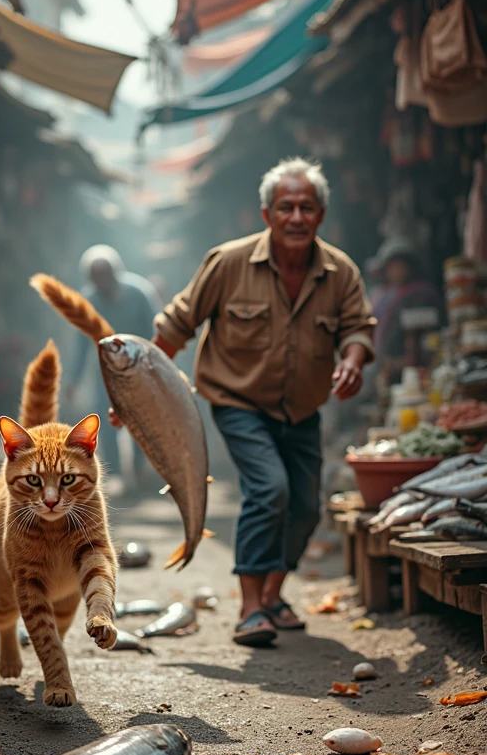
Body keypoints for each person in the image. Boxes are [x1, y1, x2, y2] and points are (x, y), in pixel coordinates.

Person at [114, 158, 376, 647]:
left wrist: (354, 360)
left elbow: (358, 327)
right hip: (237, 401)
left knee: (304, 506)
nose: (296, 217)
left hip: (303, 408)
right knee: (270, 489)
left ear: (321, 214)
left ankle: (275, 594)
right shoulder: (229, 262)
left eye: (306, 207)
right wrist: (136, 395)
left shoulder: (340, 272)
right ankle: (251, 607)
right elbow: (175, 327)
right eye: (285, 207)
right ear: (266, 214)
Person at [66, 245, 161, 486]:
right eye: (96, 277)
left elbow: (156, 334)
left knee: (141, 421)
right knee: (106, 423)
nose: (101, 282)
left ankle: (140, 471)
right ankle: (116, 473)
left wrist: (157, 370)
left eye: (105, 275)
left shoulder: (138, 293)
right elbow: (81, 345)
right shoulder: (88, 302)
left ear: (115, 273)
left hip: (139, 371)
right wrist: (73, 381)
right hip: (105, 375)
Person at [369, 237, 444, 382]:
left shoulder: (422, 293)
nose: (398, 270)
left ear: (411, 267)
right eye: (393, 266)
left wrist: (407, 360)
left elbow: (429, 334)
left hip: (418, 367)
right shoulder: (380, 296)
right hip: (385, 367)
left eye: (402, 265)